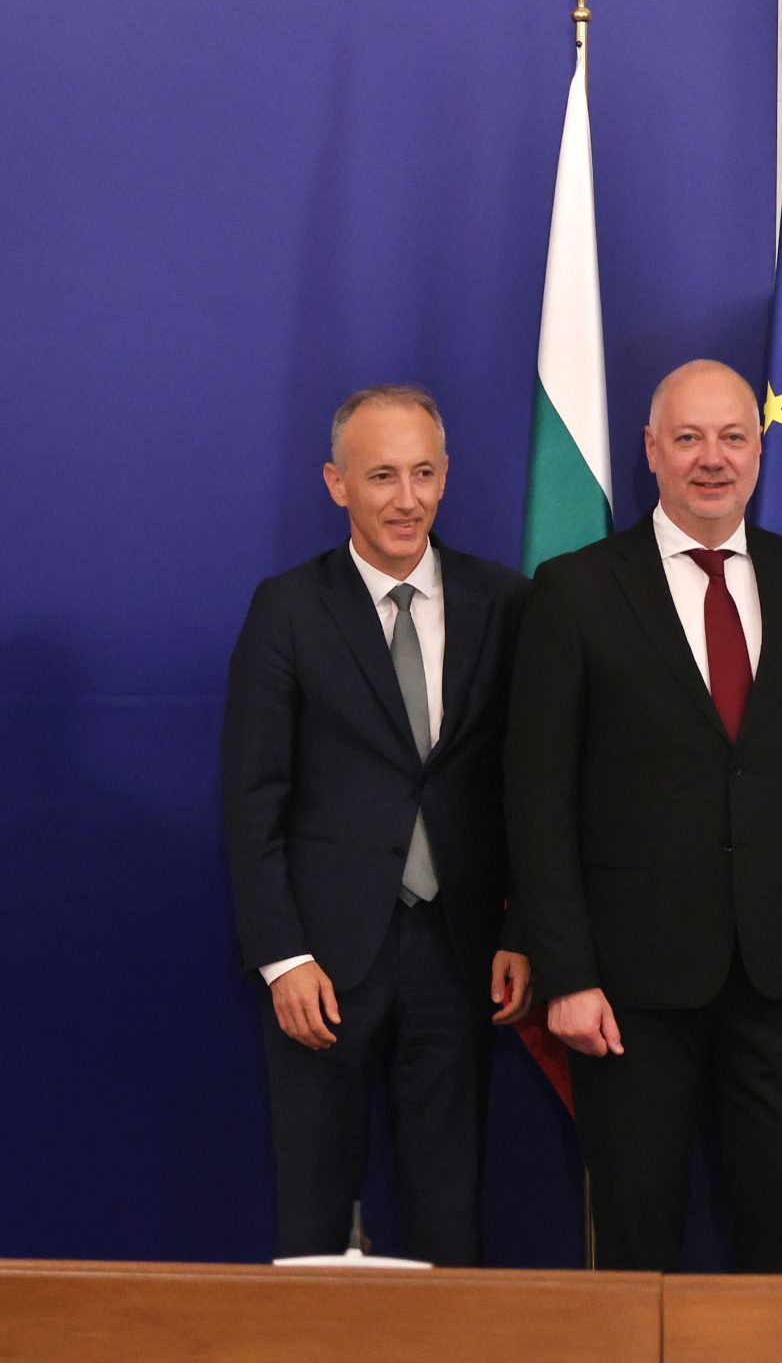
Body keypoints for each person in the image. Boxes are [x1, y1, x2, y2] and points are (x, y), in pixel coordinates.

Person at [505, 359, 782, 1272]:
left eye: (732, 438)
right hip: (626, 990)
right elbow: (537, 798)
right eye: (688, 439)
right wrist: (567, 973)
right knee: (637, 1235)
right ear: (650, 451)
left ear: (760, 451)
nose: (711, 459)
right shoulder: (575, 589)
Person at [222, 385, 531, 1264]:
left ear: (446, 477)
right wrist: (283, 957)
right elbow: (252, 797)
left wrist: (526, 931)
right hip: (324, 963)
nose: (407, 498)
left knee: (450, 1211)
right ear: (337, 484)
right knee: (316, 1210)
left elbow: (530, 786)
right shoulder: (288, 608)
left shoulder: (505, 603)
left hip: (461, 953)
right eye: (383, 476)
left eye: (424, 474)